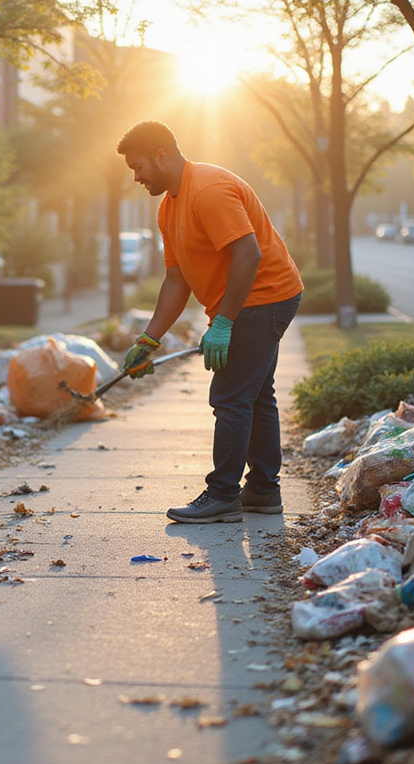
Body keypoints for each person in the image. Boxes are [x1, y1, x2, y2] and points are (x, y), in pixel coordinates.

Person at [116, 120, 303, 524]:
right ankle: (263, 492)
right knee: (255, 395)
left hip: (264, 296)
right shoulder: (169, 206)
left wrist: (223, 322)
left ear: (161, 156)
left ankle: (222, 495)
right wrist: (149, 339)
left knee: (230, 396)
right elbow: (175, 279)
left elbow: (248, 255)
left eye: (138, 166)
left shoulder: (208, 190)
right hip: (253, 300)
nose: (136, 177)